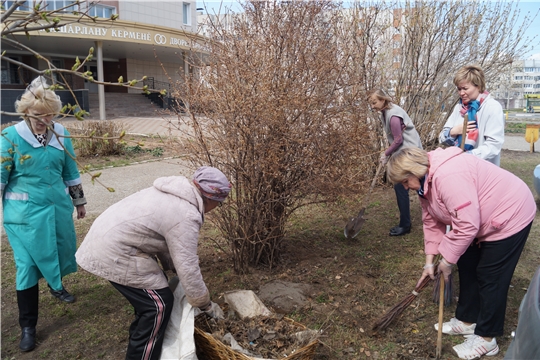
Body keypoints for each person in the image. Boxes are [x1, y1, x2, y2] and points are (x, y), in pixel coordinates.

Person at [386, 146, 536, 359]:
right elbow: (431, 221)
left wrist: (446, 261)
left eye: (404, 181)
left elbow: (467, 225)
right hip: (478, 219)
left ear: (413, 171)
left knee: (490, 276)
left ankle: (487, 339)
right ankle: (467, 320)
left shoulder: (448, 176)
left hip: (509, 214)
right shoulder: (424, 184)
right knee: (466, 264)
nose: (406, 187)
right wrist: (430, 262)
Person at [76, 166, 231, 360]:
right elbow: (188, 266)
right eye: (220, 203)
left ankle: (141, 338)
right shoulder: (186, 214)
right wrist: (206, 304)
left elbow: (166, 243)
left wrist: (175, 269)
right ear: (211, 199)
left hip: (108, 239)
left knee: (151, 302)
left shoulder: (175, 193)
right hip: (114, 251)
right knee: (158, 306)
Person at [1, 76, 87, 352]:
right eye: (39, 117)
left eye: (50, 117)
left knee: (59, 249)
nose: (45, 122)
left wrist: (79, 202)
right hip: (23, 216)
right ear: (26, 112)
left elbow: (70, 171)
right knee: (26, 266)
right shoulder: (10, 137)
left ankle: (55, 284)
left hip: (56, 209)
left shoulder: (60, 132)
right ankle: (28, 326)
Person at [368, 89, 423, 236]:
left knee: (403, 185)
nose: (372, 106)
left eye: (374, 102)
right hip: (406, 152)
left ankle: (405, 225)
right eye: (371, 103)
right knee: (420, 185)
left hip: (411, 153)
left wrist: (385, 153)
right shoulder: (386, 112)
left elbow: (398, 140)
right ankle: (411, 221)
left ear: (383, 100)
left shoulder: (393, 115)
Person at [439, 65, 504, 166]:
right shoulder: (459, 108)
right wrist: (453, 132)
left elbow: (494, 146)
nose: (461, 93)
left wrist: (467, 156)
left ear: (478, 86)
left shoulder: (492, 107)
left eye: (465, 88)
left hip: (483, 170)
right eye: (459, 89)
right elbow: (442, 138)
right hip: (460, 168)